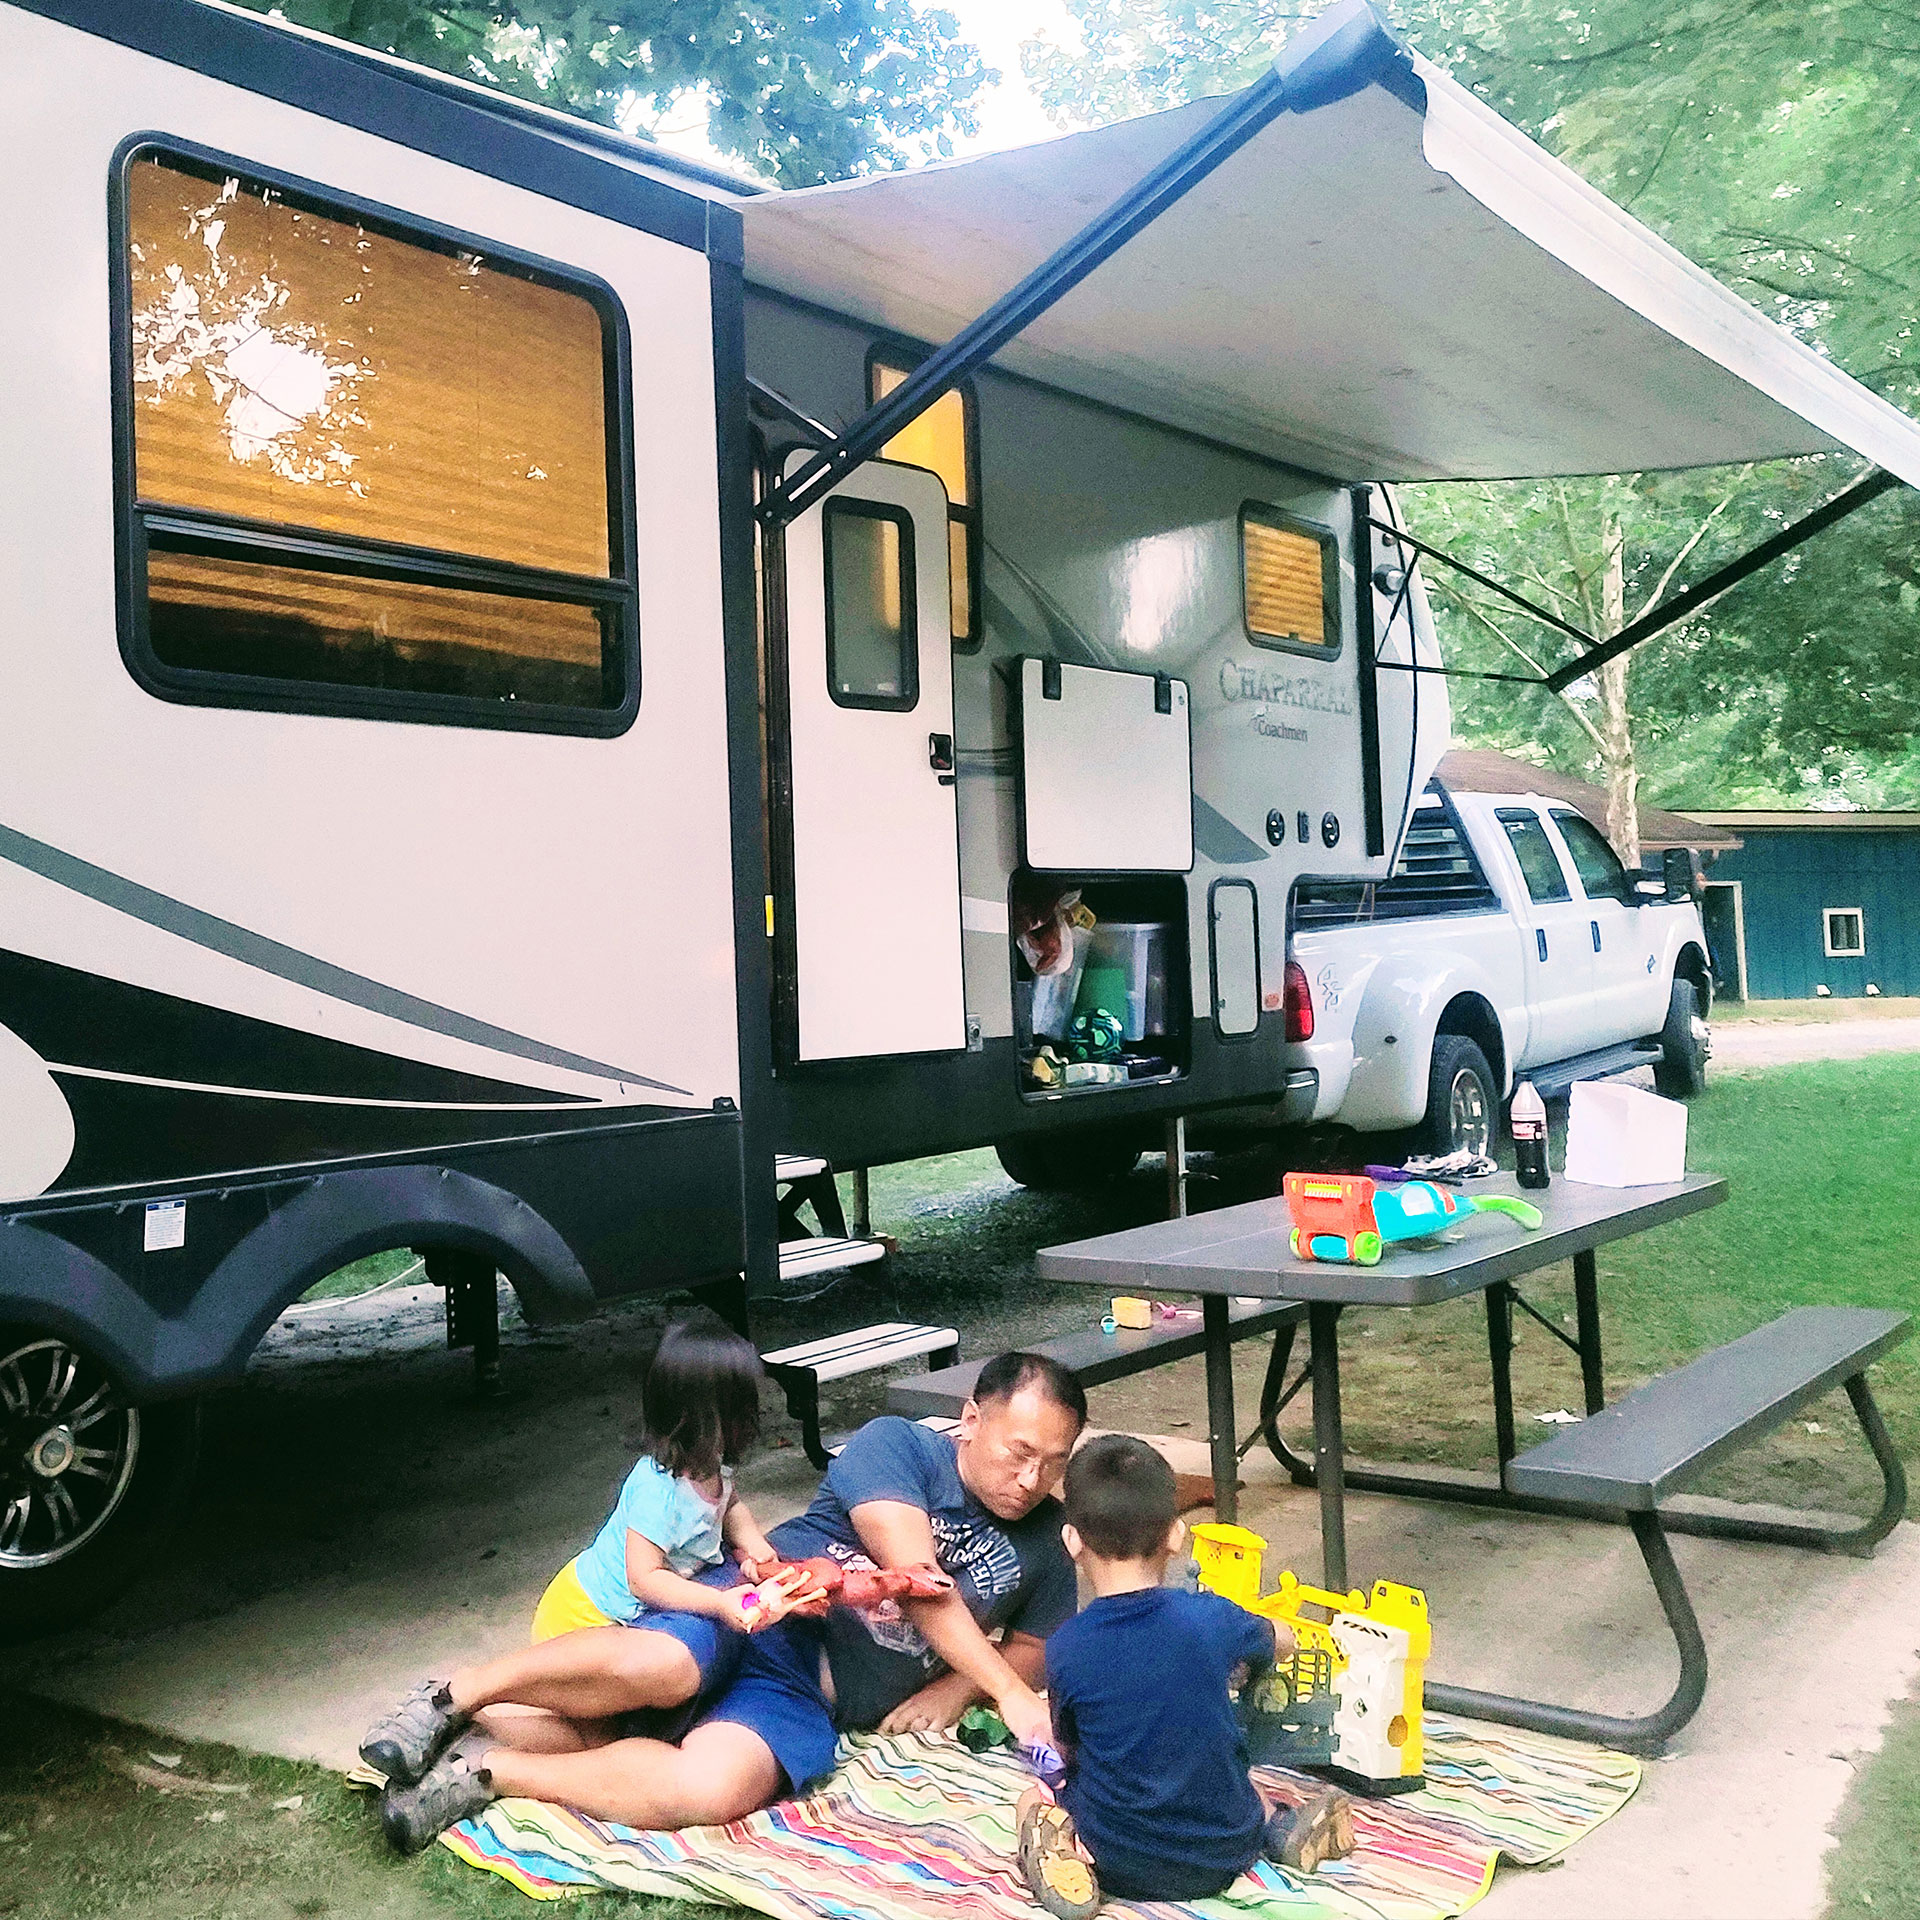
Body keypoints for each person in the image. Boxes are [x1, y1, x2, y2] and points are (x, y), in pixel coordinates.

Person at [373, 1348, 1087, 1851]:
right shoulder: (898, 1445)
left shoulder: (1050, 1538)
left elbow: (1034, 1649)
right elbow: (915, 1577)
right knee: (665, 1671)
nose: (1031, 1479)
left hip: (810, 1696)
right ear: (971, 1419)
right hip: (757, 1611)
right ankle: (451, 1696)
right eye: (1018, 1452)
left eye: (1055, 1462)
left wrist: (963, 1689)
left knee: (714, 1784)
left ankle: (487, 1773)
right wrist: (1007, 1695)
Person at [362, 1312, 781, 1832]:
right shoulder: (658, 1487)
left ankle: (462, 1740)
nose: (752, 1417)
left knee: (599, 1735)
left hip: (623, 1617)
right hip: (585, 1613)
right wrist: (720, 1603)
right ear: (694, 1415)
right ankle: (455, 1711)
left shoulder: (712, 1464)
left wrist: (756, 1550)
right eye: (740, 1406)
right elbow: (643, 1578)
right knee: (594, 1733)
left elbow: (730, 1504)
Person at [1016, 1434, 1356, 1919]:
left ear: (1072, 1542)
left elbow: (1070, 1749)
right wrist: (1276, 1638)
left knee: (1035, 1794)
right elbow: (1281, 1639)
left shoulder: (1067, 1645)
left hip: (1117, 1859)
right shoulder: (1212, 1618)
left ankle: (1062, 1861)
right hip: (1224, 1854)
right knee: (1243, 1783)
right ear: (1176, 1535)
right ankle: (1280, 1830)